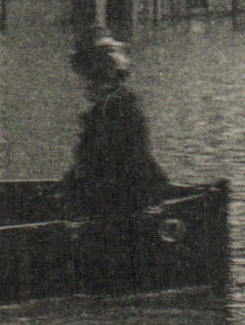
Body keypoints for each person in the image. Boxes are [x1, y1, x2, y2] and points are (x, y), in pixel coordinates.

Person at [62, 29, 169, 223]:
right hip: (120, 199)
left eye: (90, 78)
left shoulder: (118, 112)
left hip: (125, 207)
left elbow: (122, 170)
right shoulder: (105, 111)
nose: (85, 85)